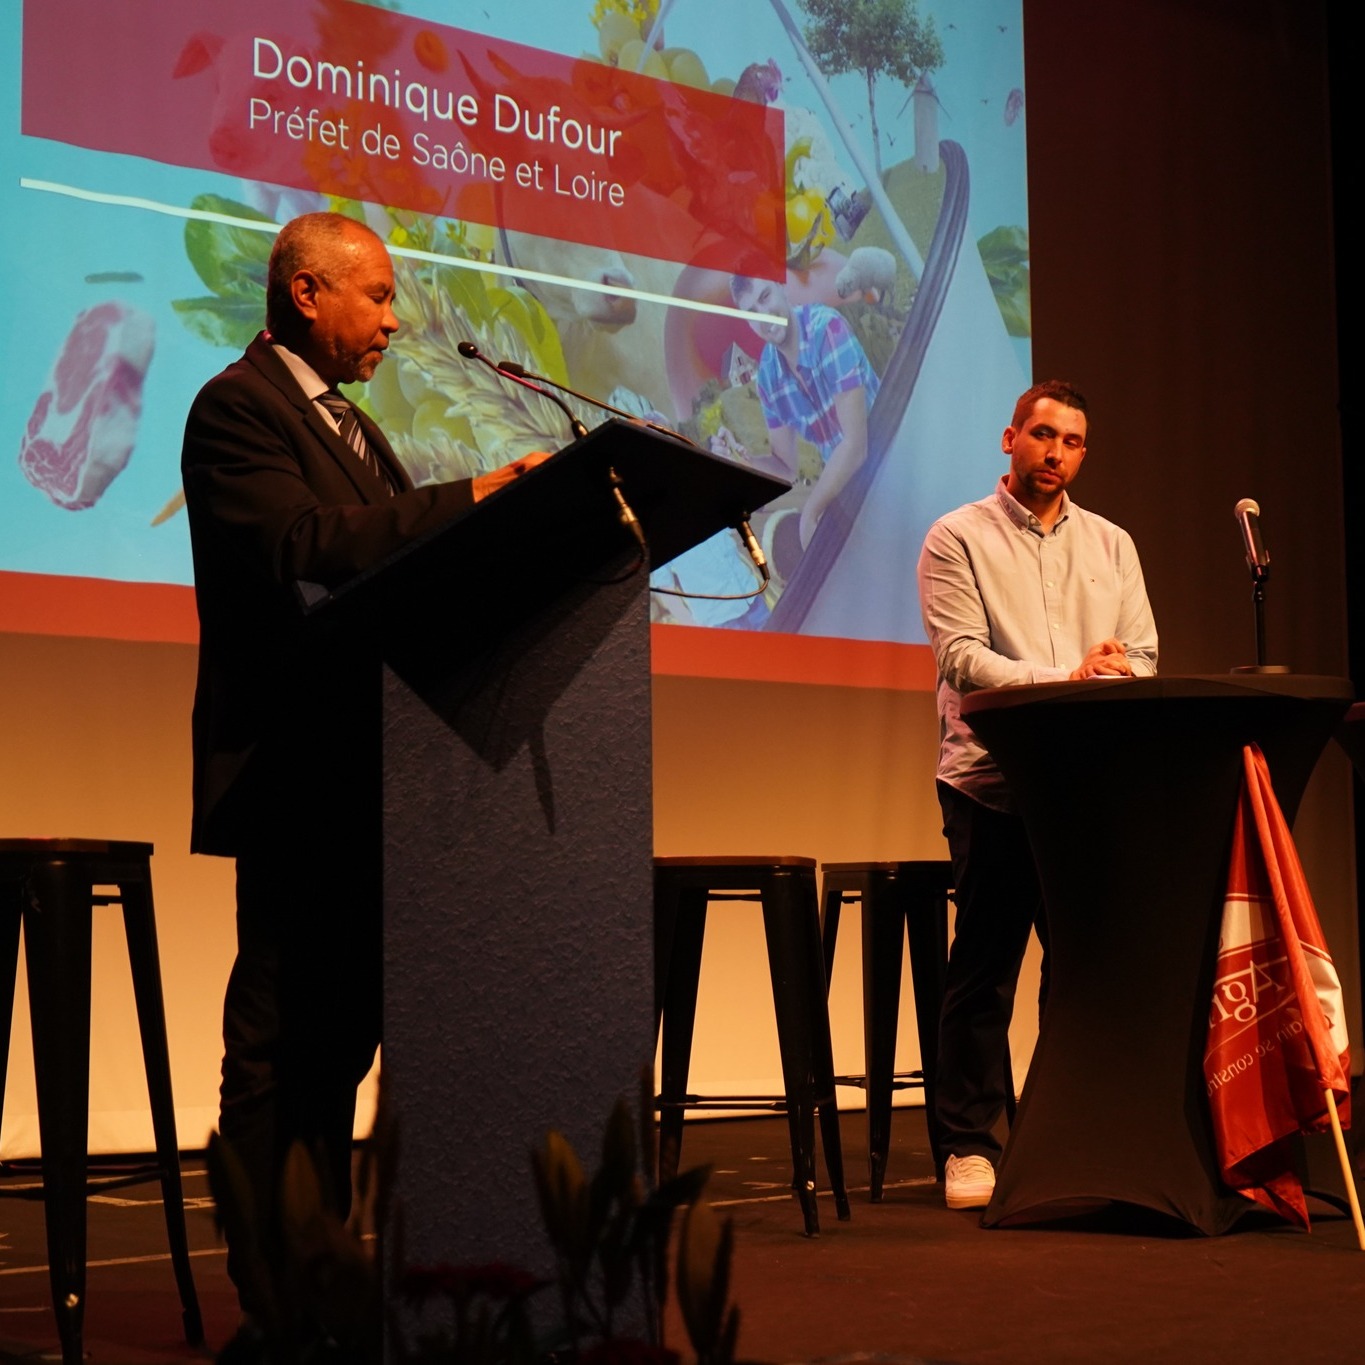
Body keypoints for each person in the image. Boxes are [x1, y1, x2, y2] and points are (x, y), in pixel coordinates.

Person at [180, 211, 547, 1305]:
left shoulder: (354, 428)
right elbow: (299, 547)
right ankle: (271, 1272)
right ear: (306, 293)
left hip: (377, 774)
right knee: (284, 1035)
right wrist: (471, 497)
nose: (394, 319)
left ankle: (328, 1262)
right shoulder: (235, 409)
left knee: (342, 1037)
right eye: (378, 296)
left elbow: (403, 577)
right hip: (294, 769)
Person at [915, 379, 1157, 1211]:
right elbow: (962, 659)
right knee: (985, 967)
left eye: (1073, 442)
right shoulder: (957, 537)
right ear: (1008, 438)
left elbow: (1144, 655)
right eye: (1042, 435)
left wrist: (1119, 670)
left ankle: (1063, 1125)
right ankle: (971, 1142)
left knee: (1083, 967)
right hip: (991, 779)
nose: (1056, 453)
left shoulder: (1111, 545)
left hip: (1085, 787)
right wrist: (1070, 676)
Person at [730, 274, 879, 548]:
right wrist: (738, 460)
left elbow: (856, 445)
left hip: (891, 458)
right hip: (850, 494)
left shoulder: (827, 329)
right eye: (751, 312)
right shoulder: (767, 378)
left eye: (765, 297)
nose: (764, 315)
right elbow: (785, 469)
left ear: (781, 286)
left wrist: (810, 512)